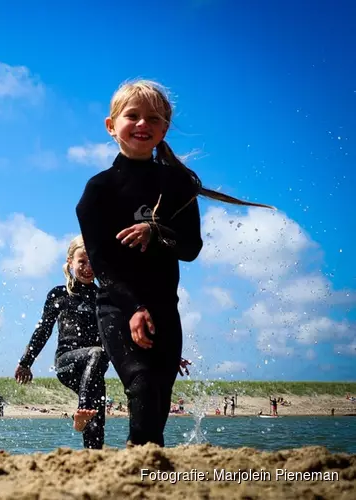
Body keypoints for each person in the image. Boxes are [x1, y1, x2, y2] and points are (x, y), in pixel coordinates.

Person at [76, 79, 272, 448]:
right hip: (118, 307)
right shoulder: (98, 191)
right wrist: (133, 308)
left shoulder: (177, 184)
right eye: (131, 116)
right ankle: (139, 464)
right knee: (142, 382)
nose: (141, 124)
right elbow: (102, 266)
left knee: (158, 401)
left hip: (166, 308)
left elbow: (192, 248)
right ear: (111, 125)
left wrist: (156, 231)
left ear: (164, 128)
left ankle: (142, 465)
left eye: (153, 117)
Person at [14, 235, 108, 449]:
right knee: (96, 353)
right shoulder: (59, 294)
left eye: (92, 260)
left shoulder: (103, 296)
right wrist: (26, 362)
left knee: (96, 426)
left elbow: (122, 332)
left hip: (93, 371)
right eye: (82, 261)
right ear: (70, 261)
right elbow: (43, 330)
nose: (87, 267)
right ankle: (82, 410)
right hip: (67, 364)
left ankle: (93, 462)